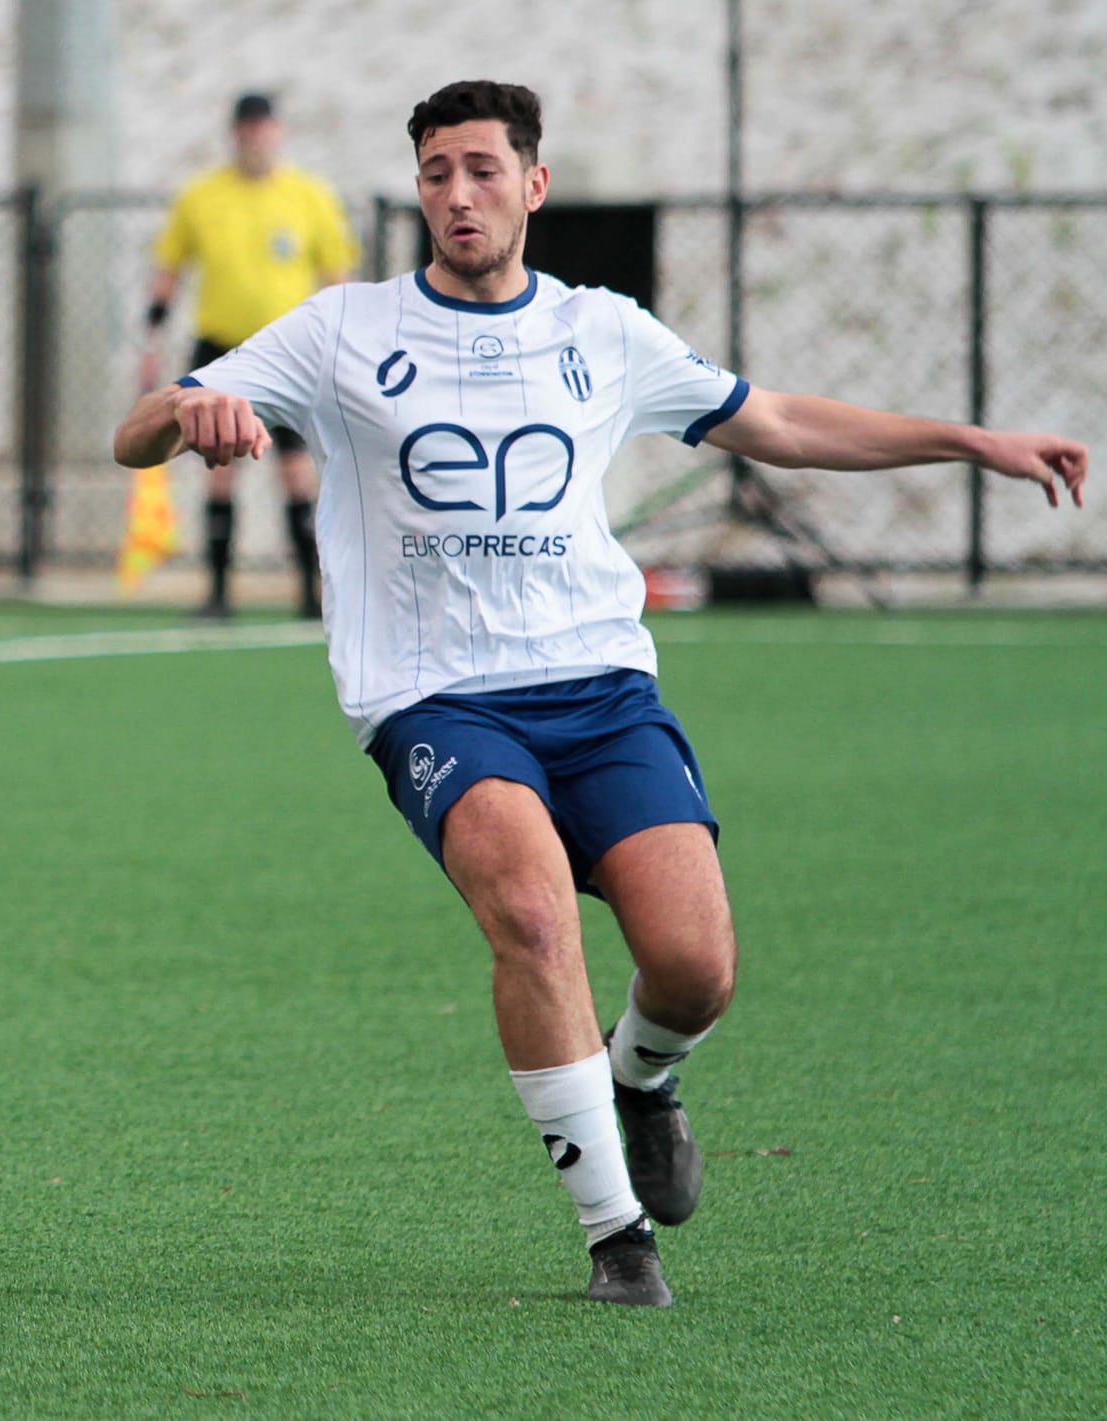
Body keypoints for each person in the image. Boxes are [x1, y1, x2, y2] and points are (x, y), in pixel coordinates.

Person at [114, 81, 1086, 1307]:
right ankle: (615, 1237)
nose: (454, 194)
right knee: (529, 913)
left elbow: (773, 418)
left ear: (532, 184)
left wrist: (969, 439)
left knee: (694, 966)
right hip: (437, 699)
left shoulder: (601, 330)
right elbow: (135, 431)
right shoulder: (341, 329)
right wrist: (182, 408)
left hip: (601, 689)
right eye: (432, 173)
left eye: (478, 169)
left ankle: (644, 1074)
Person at [139, 92, 357, 619]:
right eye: (246, 131)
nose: (255, 139)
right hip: (222, 350)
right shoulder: (201, 197)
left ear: (277, 133)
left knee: (297, 473)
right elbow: (171, 270)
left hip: (291, 353)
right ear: (235, 135)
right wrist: (151, 340)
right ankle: (217, 593)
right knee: (220, 467)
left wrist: (344, 347)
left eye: (263, 130)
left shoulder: (310, 196)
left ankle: (312, 594)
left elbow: (337, 277)